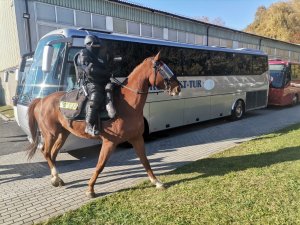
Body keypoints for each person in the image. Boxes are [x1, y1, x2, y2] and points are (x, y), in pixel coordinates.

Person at [75, 35, 114, 136]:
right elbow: (89, 70)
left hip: (102, 81)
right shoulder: (84, 53)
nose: (97, 48)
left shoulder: (99, 56)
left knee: (112, 87)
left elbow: (105, 67)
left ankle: (110, 107)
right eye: (95, 46)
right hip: (89, 82)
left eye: (98, 46)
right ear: (88, 45)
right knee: (96, 95)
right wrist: (105, 72)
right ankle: (89, 125)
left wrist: (108, 72)